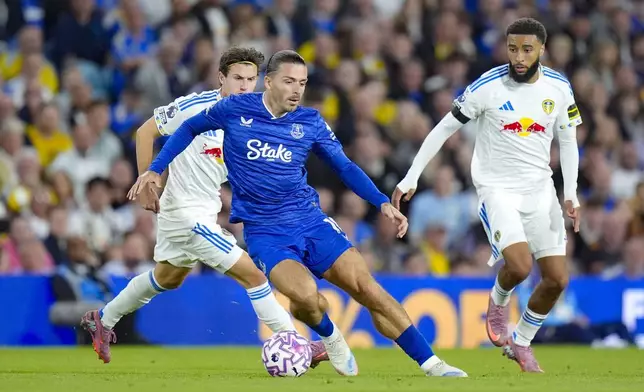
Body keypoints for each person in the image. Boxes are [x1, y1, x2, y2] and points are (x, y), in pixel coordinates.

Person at [129, 50, 468, 377]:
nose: (296, 90)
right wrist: (156, 169)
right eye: (289, 82)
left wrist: (381, 202)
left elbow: (344, 166)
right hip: (266, 233)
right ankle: (331, 336)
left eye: (302, 83)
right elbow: (188, 129)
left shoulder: (310, 122)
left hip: (310, 221)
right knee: (308, 298)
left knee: (367, 287)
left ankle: (432, 364)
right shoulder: (234, 109)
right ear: (270, 82)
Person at [81, 46, 328, 366]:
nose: (243, 85)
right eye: (237, 78)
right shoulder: (195, 107)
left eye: (251, 79)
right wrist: (147, 179)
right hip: (186, 215)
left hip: (202, 210)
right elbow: (145, 132)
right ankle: (296, 342)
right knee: (254, 275)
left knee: (167, 277)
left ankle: (102, 318)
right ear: (221, 78)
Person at [392, 18, 582, 373]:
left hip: (540, 189)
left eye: (527, 49)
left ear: (542, 49)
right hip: (497, 189)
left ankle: (522, 342)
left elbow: (568, 139)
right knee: (521, 266)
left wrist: (570, 193)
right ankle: (499, 300)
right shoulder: (488, 86)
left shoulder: (559, 87)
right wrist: (411, 177)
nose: (519, 57)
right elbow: (445, 127)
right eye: (513, 49)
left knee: (557, 279)